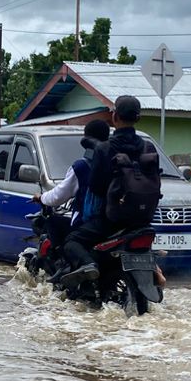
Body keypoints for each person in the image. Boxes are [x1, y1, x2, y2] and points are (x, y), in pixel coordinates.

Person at [61, 94, 161, 283]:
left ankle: (89, 266)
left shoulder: (104, 148)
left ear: (114, 116)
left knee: (72, 241)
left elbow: (96, 187)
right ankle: (157, 274)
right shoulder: (148, 148)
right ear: (138, 118)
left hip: (111, 220)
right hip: (142, 220)